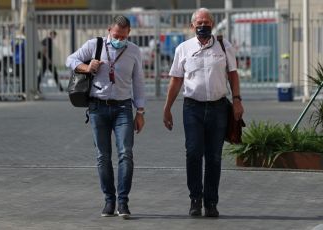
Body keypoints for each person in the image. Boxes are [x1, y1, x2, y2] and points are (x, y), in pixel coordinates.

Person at [163, 8, 244, 218]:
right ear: (192, 26)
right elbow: (176, 80)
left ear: (213, 24)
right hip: (192, 108)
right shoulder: (183, 48)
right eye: (199, 22)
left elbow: (233, 75)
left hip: (218, 108)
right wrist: (167, 108)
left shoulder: (224, 46)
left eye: (207, 21)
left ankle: (211, 202)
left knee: (214, 157)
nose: (203, 25)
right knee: (193, 153)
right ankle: (195, 199)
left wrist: (237, 100)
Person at [66, 15, 145, 219]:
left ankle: (123, 202)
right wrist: (87, 67)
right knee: (103, 156)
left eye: (123, 35)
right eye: (116, 34)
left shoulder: (134, 51)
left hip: (123, 108)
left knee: (125, 153)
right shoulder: (96, 45)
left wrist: (141, 112)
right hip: (98, 108)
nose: (118, 38)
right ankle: (109, 200)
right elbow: (71, 59)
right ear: (109, 30)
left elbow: (138, 83)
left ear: (129, 33)